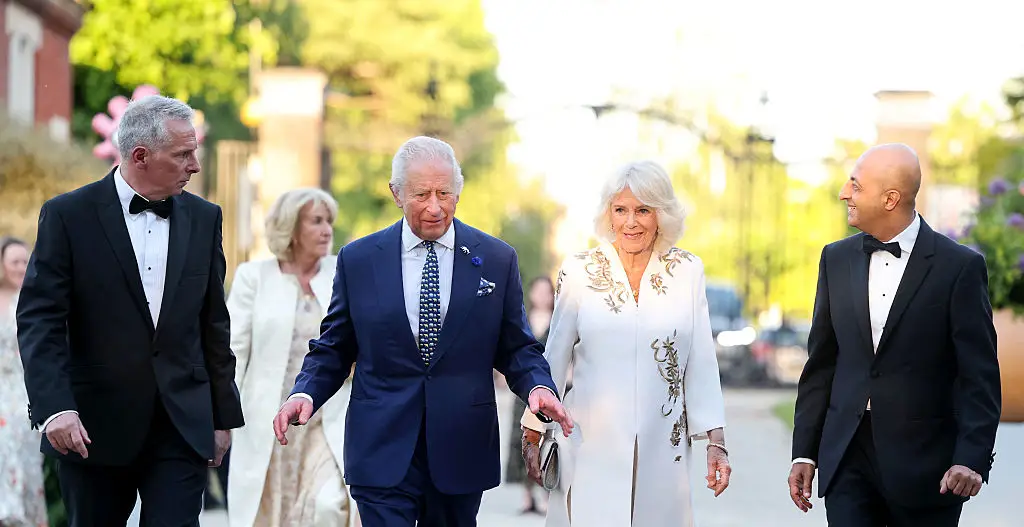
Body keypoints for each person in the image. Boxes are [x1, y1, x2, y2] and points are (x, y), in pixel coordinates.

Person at [272, 136, 573, 527]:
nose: (435, 207)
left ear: (458, 192)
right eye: (421, 194)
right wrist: (305, 391)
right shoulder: (359, 260)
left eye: (444, 193)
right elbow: (335, 345)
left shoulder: (496, 259)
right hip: (380, 446)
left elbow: (517, 347)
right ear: (396, 193)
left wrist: (538, 387)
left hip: (461, 446)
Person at [16, 95, 244, 526]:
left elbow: (214, 323)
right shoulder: (68, 216)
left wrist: (221, 417)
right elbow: (39, 321)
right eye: (183, 154)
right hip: (92, 429)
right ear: (140, 155)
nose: (195, 164)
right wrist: (54, 408)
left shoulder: (205, 217)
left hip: (181, 426)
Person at [788, 143, 1001, 527]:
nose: (843, 193)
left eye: (855, 185)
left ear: (891, 198)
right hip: (846, 459)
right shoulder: (834, 259)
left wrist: (971, 458)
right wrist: (804, 451)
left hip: (929, 471)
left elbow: (979, 375)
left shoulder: (961, 268)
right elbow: (822, 363)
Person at [521, 160, 731, 526]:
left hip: (663, 446)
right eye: (621, 210)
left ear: (661, 215)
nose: (630, 222)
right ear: (609, 214)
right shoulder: (579, 271)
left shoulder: (687, 270)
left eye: (642, 211)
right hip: (588, 441)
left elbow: (700, 360)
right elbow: (552, 356)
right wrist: (532, 430)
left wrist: (715, 441)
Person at [227, 188, 357, 527]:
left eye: (329, 221)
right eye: (316, 221)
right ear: (291, 228)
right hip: (264, 421)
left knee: (329, 506)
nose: (327, 229)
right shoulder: (253, 278)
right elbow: (233, 351)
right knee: (268, 514)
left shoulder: (343, 273)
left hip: (328, 415)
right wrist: (222, 413)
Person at [0, 237, 48, 527]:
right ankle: (7, 512)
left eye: (24, 261)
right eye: (14, 261)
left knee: (25, 454)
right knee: (4, 446)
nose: (20, 267)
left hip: (28, 389)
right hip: (1, 388)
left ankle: (24, 517)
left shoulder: (35, 299)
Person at [505, 276, 556, 515]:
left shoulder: (558, 321)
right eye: (538, 291)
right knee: (521, 440)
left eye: (547, 292)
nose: (542, 296)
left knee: (547, 440)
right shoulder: (521, 320)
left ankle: (546, 493)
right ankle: (527, 496)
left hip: (550, 390)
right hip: (523, 391)